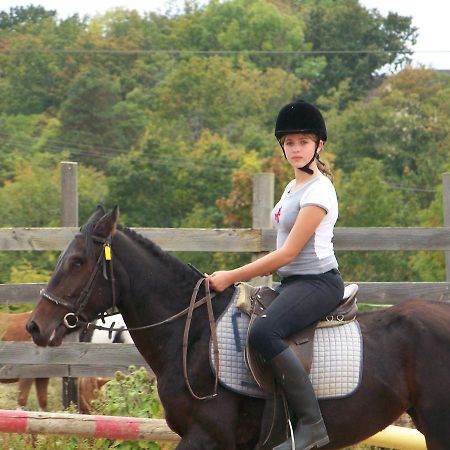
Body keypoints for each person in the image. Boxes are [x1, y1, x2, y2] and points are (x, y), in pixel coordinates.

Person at [208, 100, 344, 450]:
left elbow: (288, 253)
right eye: (289, 143)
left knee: (266, 332)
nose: (296, 149)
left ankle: (313, 425)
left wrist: (231, 275)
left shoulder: (319, 190)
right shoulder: (291, 187)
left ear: (319, 144)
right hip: (292, 282)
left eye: (303, 142)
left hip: (319, 283)